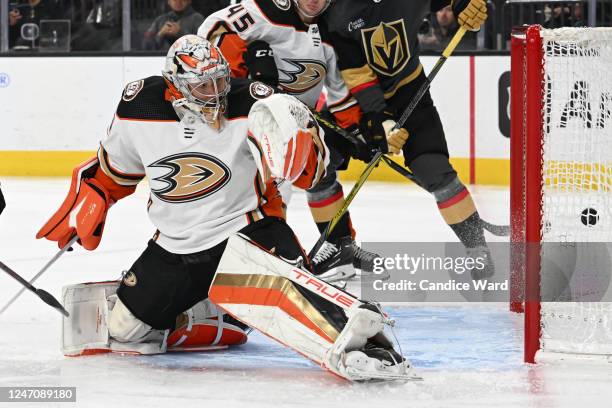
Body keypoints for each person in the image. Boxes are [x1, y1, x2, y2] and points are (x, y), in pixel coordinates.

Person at [36, 35, 411, 381]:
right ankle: (216, 315)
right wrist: (96, 195)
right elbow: (114, 169)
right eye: (203, 86)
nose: (216, 93)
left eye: (220, 80)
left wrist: (308, 147)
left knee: (298, 309)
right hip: (175, 246)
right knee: (126, 332)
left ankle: (364, 335)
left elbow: (310, 159)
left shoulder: (252, 99)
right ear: (175, 85)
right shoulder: (140, 106)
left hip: (248, 233)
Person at [198, 0, 393, 281]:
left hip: (296, 122)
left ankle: (340, 247)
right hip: (245, 120)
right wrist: (245, 78)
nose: (314, 1)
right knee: (256, 190)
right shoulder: (261, 12)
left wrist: (357, 132)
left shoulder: (331, 30)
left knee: (320, 169)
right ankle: (248, 256)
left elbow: (339, 92)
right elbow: (210, 36)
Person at [321, 0, 494, 278]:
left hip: (410, 93)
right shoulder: (337, 11)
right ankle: (339, 248)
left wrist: (464, 5)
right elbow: (355, 72)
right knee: (318, 163)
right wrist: (378, 120)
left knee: (435, 170)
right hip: (354, 105)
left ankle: (477, 249)